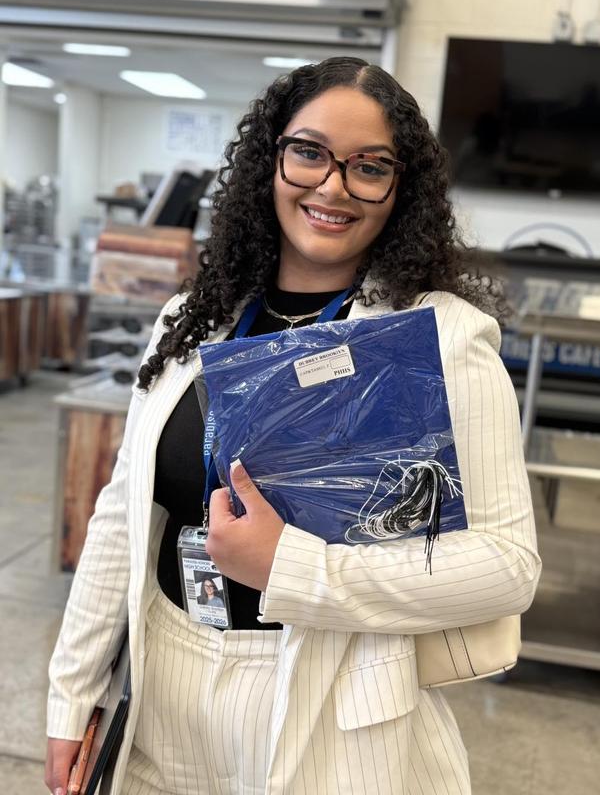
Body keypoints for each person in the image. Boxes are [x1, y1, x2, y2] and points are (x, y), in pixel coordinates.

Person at [45, 57, 540, 795]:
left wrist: (295, 570)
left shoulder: (437, 341)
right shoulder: (190, 323)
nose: (332, 186)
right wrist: (71, 692)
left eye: (369, 167)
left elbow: (506, 565)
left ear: (400, 190)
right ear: (269, 159)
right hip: (165, 688)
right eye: (308, 152)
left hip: (334, 707)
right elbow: (122, 513)